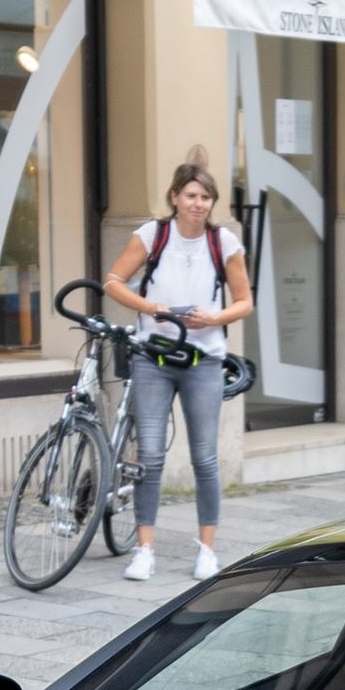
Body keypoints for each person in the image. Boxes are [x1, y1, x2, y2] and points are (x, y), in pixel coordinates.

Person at [102, 153, 255, 587]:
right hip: (153, 358)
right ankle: (144, 549)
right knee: (149, 457)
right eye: (191, 195)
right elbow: (113, 280)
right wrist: (151, 307)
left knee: (205, 458)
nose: (198, 203)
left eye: (206, 197)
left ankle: (207, 549)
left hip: (203, 360)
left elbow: (244, 301)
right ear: (174, 197)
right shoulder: (152, 235)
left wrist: (215, 318)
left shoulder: (223, 243)